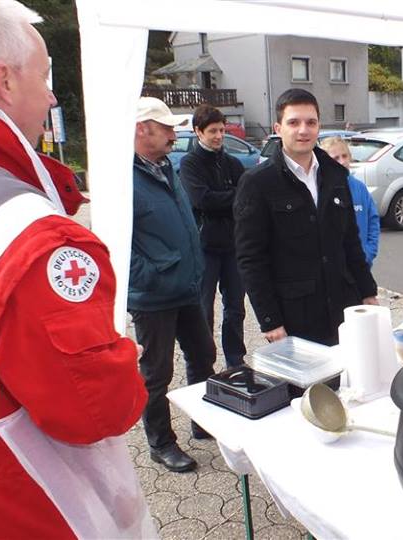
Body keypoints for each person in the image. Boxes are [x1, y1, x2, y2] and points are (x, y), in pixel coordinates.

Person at [0, 1, 153, 537]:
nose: (50, 96)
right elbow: (94, 411)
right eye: (44, 75)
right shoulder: (19, 228)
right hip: (18, 502)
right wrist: (119, 354)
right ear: (4, 79)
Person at [234, 89, 378, 345]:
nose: (303, 130)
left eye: (311, 122)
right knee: (305, 385)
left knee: (350, 379)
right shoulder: (257, 183)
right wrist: (270, 320)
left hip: (343, 303)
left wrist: (368, 291)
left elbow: (350, 241)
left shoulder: (335, 175)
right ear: (278, 128)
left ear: (319, 126)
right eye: (294, 122)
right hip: (296, 313)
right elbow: (251, 258)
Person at [130, 96, 216, 472]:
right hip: (154, 296)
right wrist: (151, 275)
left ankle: (203, 421)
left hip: (185, 287)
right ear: (140, 128)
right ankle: (161, 442)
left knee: (203, 356)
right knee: (156, 373)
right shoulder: (122, 178)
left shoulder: (166, 166)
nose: (173, 134)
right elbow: (115, 245)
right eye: (165, 127)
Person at [180, 103, 247, 369]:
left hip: (233, 247)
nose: (219, 136)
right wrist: (233, 198)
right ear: (198, 132)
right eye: (212, 131)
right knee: (203, 308)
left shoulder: (232, 163)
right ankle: (204, 362)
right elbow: (202, 200)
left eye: (221, 130)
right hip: (205, 247)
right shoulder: (190, 163)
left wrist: (227, 200)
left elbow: (247, 199)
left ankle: (235, 360)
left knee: (235, 308)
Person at [319, 136, 381, 266]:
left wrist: (369, 252)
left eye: (344, 156)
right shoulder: (320, 190)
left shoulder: (359, 188)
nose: (342, 162)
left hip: (361, 265)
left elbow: (373, 220)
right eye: (335, 158)